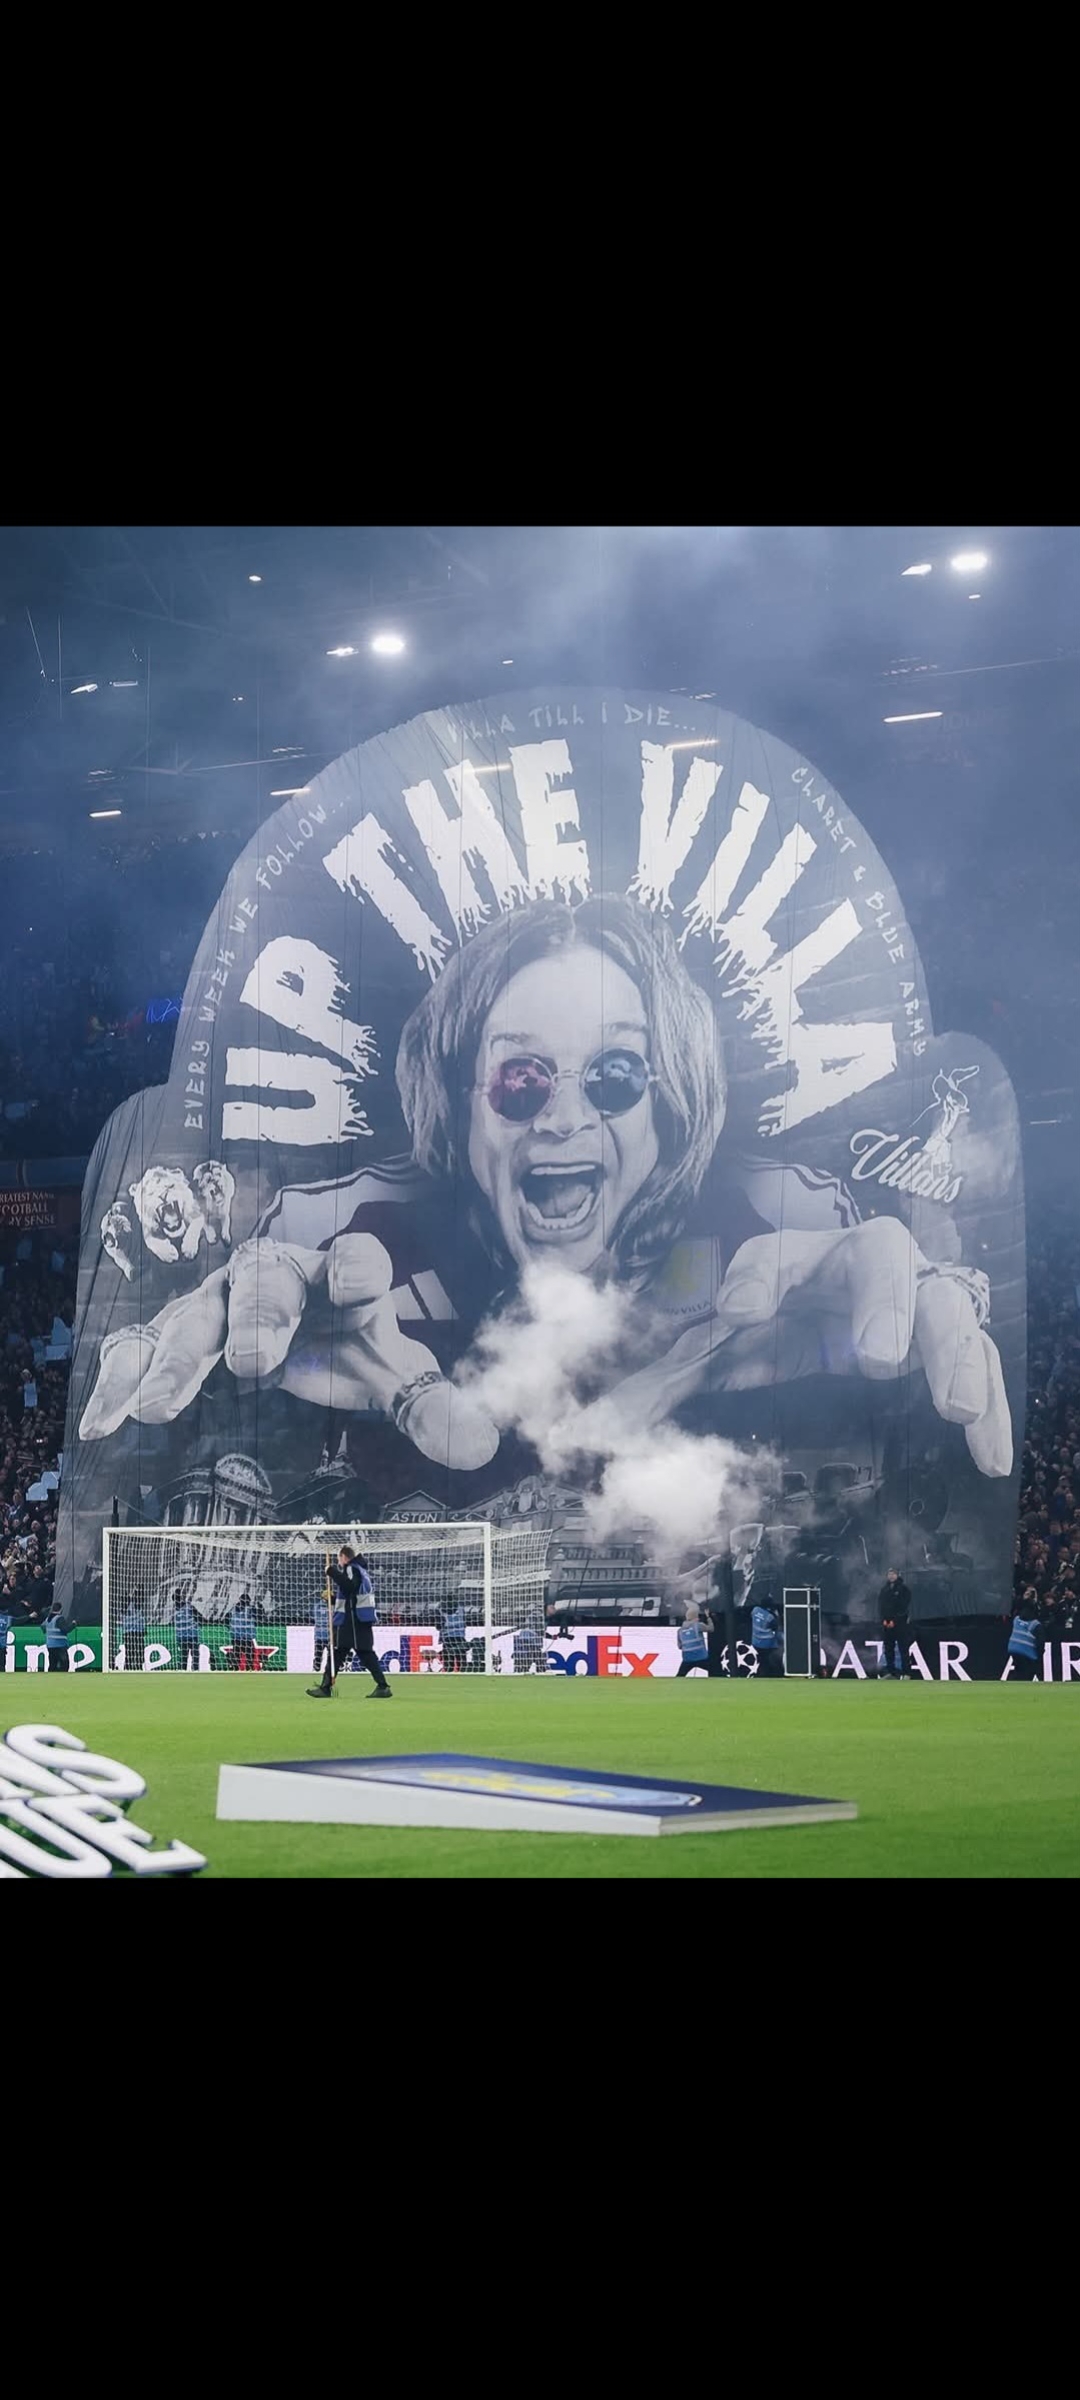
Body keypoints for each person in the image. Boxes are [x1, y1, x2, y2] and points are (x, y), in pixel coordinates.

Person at [79, 899, 1013, 1489]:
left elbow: (881, 1330)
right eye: (520, 1080)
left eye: (614, 1076)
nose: (563, 1118)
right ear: (460, 1108)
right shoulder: (362, 1247)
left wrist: (947, 1292)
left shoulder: (776, 1238)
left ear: (668, 1105)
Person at [308, 1545, 390, 1699]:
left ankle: (326, 1688)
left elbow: (350, 1587)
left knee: (342, 1652)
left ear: (344, 1557)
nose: (339, 1562)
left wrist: (332, 1572)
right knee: (358, 1653)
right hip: (360, 1618)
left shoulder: (351, 1568)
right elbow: (352, 1596)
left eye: (339, 1559)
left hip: (351, 1621)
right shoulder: (362, 1571)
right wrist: (332, 1599)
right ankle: (382, 1686)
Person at [879, 1567, 911, 1679]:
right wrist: (883, 1619)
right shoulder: (884, 1589)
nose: (891, 1576)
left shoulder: (904, 1589)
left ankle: (906, 1673)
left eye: (893, 1574)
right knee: (888, 1648)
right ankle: (890, 1672)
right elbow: (881, 1606)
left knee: (903, 1648)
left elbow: (903, 1608)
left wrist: (895, 1620)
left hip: (900, 1625)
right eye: (889, 1574)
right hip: (887, 1625)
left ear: (898, 1575)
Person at [1006, 1589, 1044, 1682]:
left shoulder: (1016, 1619)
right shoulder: (1036, 1625)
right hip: (1027, 1653)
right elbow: (1040, 1643)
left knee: (1019, 1670)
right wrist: (1039, 1655)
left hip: (1013, 1649)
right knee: (1027, 1674)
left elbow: (1019, 1606)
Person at [750, 1592, 782, 1678]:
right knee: (769, 1661)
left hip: (756, 1641)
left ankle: (761, 1674)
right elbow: (775, 1626)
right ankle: (768, 1674)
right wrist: (776, 1614)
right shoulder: (769, 1616)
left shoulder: (755, 1610)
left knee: (761, 1660)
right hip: (767, 1643)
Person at [437, 1593, 468, 1674]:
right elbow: (465, 1623)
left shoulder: (440, 1610)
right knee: (462, 1662)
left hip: (448, 1638)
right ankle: (463, 1675)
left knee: (448, 1664)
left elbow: (438, 1626)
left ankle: (448, 1675)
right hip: (460, 1637)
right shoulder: (461, 1609)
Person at [676, 1604, 710, 1677]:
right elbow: (711, 1628)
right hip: (701, 1657)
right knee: (715, 1670)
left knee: (680, 1676)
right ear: (696, 1617)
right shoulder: (698, 1626)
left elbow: (679, 1646)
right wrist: (708, 1617)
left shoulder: (680, 1630)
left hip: (687, 1659)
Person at [229, 1591, 259, 1671]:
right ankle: (249, 1670)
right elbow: (259, 1617)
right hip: (246, 1636)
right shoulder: (251, 1609)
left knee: (237, 1655)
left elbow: (227, 1618)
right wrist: (259, 1606)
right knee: (249, 1656)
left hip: (236, 1636)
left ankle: (235, 1670)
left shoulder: (233, 1608)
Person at [172, 1589, 200, 1671]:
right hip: (185, 1636)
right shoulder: (176, 1609)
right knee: (187, 1656)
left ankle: (193, 1670)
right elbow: (199, 1617)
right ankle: (188, 1670)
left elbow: (198, 1617)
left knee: (191, 1655)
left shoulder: (189, 1607)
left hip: (191, 1635)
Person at [119, 1592, 145, 1674]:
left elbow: (140, 1596)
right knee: (133, 1654)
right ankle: (133, 1669)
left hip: (134, 1633)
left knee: (136, 1654)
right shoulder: (127, 1607)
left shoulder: (133, 1606)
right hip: (133, 1633)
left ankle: (135, 1669)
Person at [45, 1597, 71, 1673]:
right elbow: (65, 1629)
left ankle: (51, 1678)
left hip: (50, 1645)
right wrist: (73, 1625)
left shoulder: (48, 1619)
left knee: (52, 1664)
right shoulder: (59, 1618)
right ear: (61, 1609)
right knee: (64, 1664)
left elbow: (42, 1627)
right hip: (60, 1645)